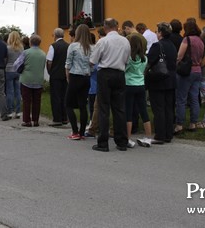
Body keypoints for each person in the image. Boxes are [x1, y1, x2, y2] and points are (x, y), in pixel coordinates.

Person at [89, 18, 131, 152]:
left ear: (105, 27)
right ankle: (122, 142)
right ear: (117, 26)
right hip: (119, 73)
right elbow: (127, 60)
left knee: (103, 108)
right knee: (119, 109)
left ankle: (103, 142)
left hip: (105, 73)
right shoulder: (125, 41)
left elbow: (93, 61)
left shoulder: (103, 41)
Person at [145, 22, 177, 144]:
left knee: (158, 108)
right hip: (171, 79)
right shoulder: (172, 46)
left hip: (158, 80)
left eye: (157, 31)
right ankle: (169, 133)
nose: (156, 33)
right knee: (169, 108)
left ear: (161, 33)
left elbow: (150, 62)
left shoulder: (157, 46)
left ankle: (160, 134)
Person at [174, 20, 204, 134]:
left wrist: (176, 64)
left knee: (181, 99)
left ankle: (179, 124)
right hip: (198, 70)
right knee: (194, 98)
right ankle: (193, 123)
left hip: (187, 71)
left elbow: (179, 56)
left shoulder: (187, 39)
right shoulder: (200, 40)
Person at [65, 24, 93, 140]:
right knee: (82, 105)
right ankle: (81, 132)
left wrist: (68, 77)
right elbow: (92, 64)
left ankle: (75, 131)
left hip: (75, 75)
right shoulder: (92, 47)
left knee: (68, 104)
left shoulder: (73, 46)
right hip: (86, 77)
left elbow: (68, 63)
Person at [125, 34, 153, 148]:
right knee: (144, 111)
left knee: (129, 112)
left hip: (129, 84)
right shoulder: (144, 58)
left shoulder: (129, 58)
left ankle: (128, 138)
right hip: (140, 85)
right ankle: (148, 137)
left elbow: (124, 70)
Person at [18, 34, 46, 127]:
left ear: (30, 42)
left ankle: (27, 120)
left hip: (26, 79)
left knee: (26, 101)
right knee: (36, 101)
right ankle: (36, 120)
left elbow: (17, 64)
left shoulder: (26, 52)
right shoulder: (43, 53)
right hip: (38, 79)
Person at [46, 28, 69, 127]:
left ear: (55, 35)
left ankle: (57, 119)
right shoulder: (68, 46)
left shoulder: (53, 46)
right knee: (64, 96)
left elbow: (49, 61)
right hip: (65, 74)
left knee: (56, 97)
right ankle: (65, 117)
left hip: (55, 74)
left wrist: (50, 71)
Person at [5, 31, 24, 118]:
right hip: (18, 71)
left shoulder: (7, 48)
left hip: (9, 70)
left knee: (10, 91)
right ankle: (18, 111)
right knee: (18, 91)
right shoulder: (21, 48)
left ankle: (10, 111)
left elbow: (5, 60)